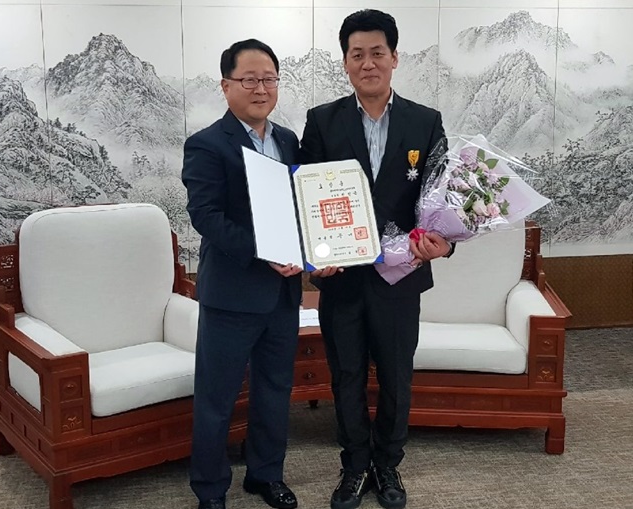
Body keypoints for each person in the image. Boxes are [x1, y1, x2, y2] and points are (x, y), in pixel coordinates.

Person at [299, 10, 453, 509]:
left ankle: (387, 465)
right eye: (357, 54)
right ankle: (354, 466)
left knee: (395, 377)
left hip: (400, 277)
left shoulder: (425, 122)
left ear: (394, 58)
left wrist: (443, 243)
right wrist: (313, 258)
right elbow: (306, 198)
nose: (368, 63)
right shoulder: (322, 121)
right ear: (345, 62)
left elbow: (441, 200)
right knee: (345, 375)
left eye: (377, 53)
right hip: (342, 277)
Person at [182, 39, 302, 509]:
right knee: (217, 399)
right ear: (226, 85)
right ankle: (210, 490)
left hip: (283, 292)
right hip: (231, 294)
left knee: (275, 390)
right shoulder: (207, 143)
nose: (260, 88)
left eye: (269, 79)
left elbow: (300, 208)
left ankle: (265, 474)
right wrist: (264, 251)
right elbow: (206, 216)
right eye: (249, 79)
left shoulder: (288, 140)